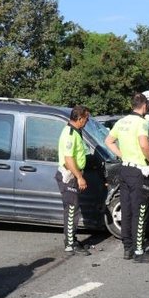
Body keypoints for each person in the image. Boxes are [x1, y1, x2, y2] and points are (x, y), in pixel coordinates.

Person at [105, 93, 149, 263]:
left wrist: (122, 155)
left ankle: (127, 249)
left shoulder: (121, 122)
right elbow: (144, 144)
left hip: (124, 170)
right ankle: (139, 252)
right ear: (144, 105)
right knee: (140, 212)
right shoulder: (142, 122)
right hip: (138, 173)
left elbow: (108, 141)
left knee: (127, 211)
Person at [56, 105, 92, 256]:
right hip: (70, 176)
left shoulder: (75, 132)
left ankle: (72, 239)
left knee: (72, 209)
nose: (87, 122)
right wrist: (79, 177)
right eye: (86, 119)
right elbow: (68, 159)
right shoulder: (70, 134)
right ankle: (70, 244)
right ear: (79, 118)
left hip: (73, 174)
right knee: (72, 210)